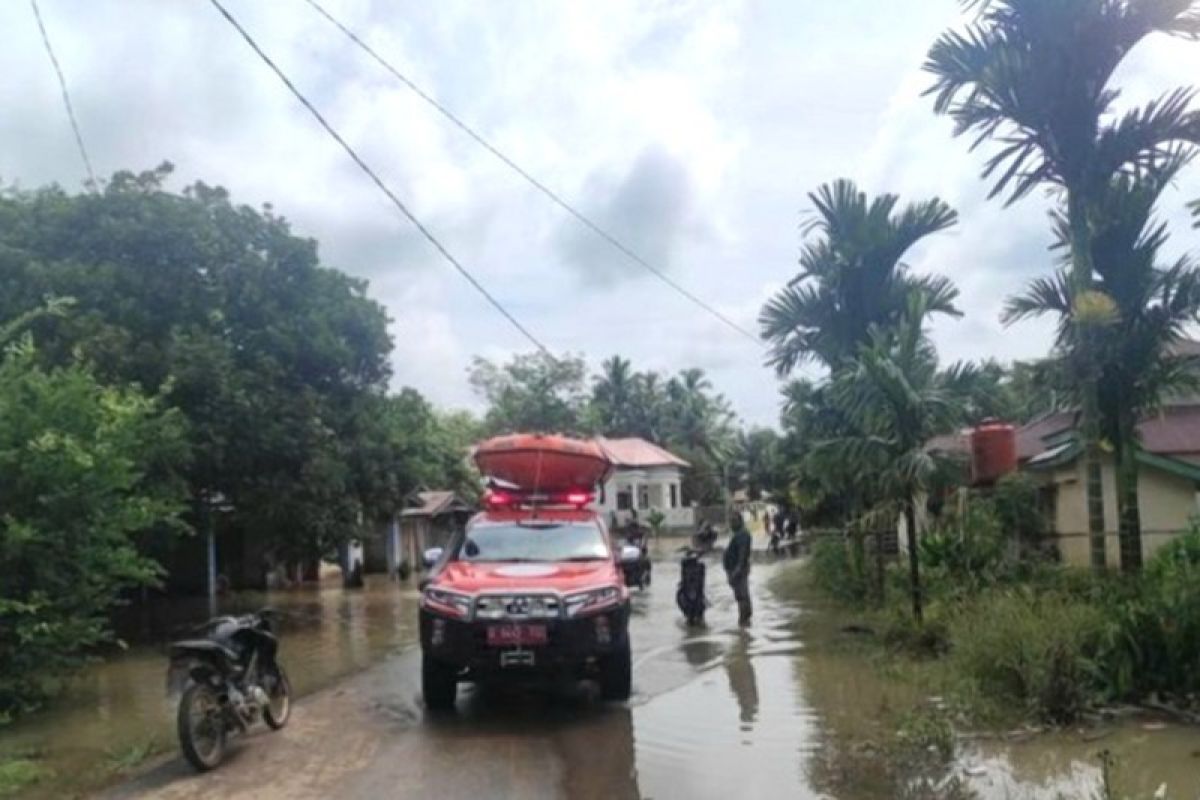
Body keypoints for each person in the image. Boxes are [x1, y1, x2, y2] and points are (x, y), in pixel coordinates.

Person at [722, 512, 753, 624]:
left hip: (738, 570)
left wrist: (737, 570)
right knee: (740, 595)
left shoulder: (742, 534)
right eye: (730, 521)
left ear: (740, 521)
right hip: (736, 569)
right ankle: (745, 622)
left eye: (734, 521)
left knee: (742, 595)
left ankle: (744, 621)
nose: (731, 524)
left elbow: (743, 554)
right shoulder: (738, 534)